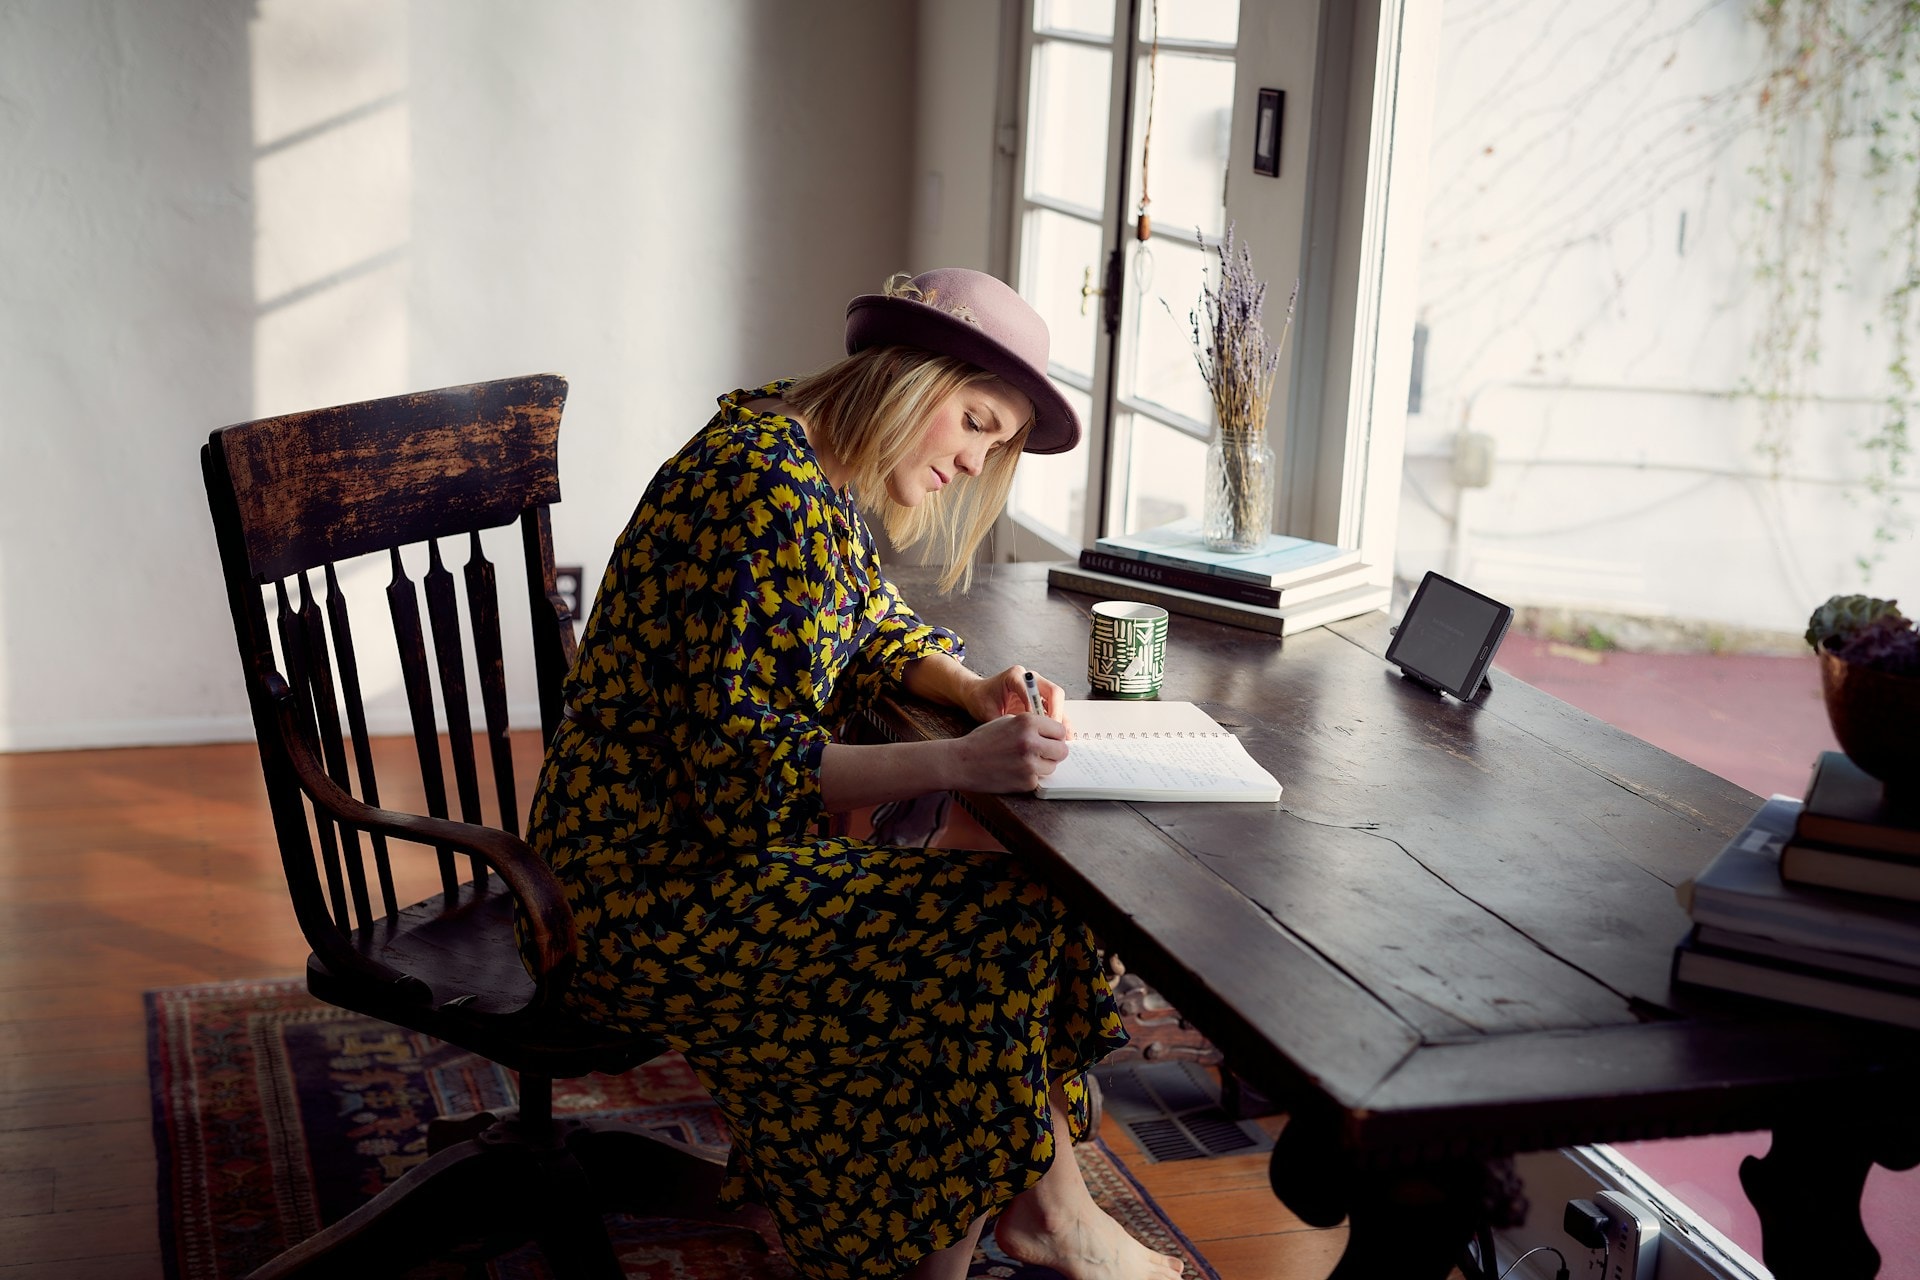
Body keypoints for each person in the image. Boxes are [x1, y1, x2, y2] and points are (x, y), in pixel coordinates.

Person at [520, 268, 1186, 1280]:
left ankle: (1042, 1210)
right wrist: (960, 758)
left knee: (1020, 904)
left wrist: (967, 685)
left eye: (994, 444)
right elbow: (742, 776)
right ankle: (988, 1238)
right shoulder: (764, 486)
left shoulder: (796, 450)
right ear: (909, 377)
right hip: (634, 881)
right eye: (973, 421)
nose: (973, 460)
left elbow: (862, 613)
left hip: (676, 848)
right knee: (984, 932)